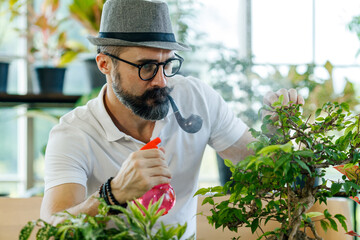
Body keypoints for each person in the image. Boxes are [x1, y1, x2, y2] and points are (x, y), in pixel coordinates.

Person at [40, 0, 304, 238]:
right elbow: (51, 232)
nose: (161, 80)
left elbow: (262, 172)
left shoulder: (197, 99)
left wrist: (276, 132)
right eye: (146, 67)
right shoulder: (73, 134)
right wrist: (114, 194)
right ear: (104, 64)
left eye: (167, 64)